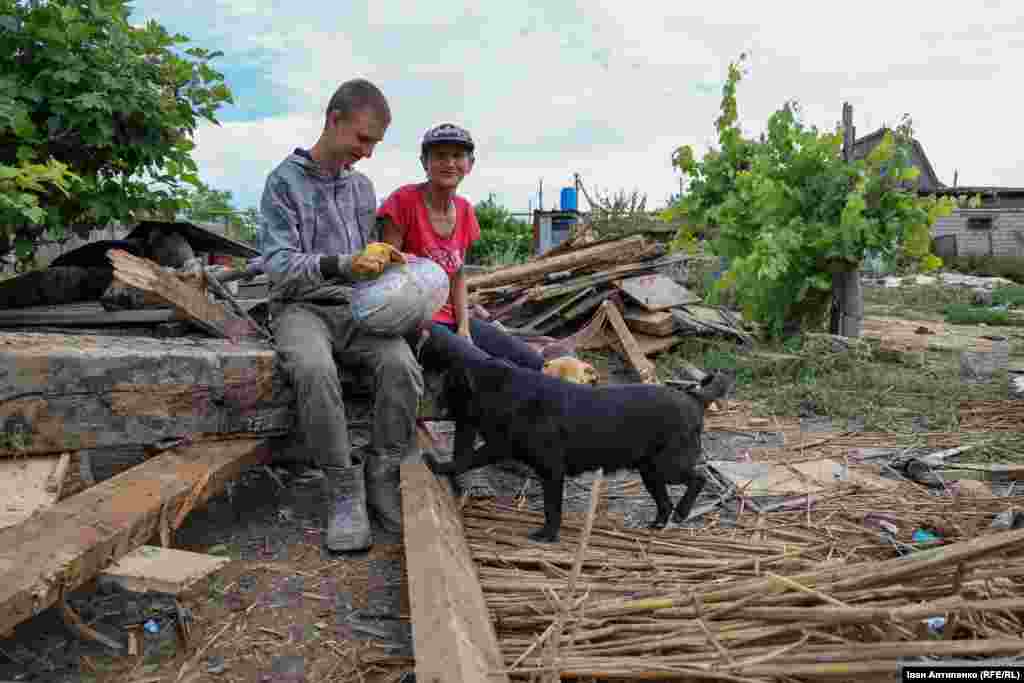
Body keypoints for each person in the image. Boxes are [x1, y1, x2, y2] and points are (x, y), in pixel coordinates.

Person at [259, 79, 423, 553]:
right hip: (299, 307)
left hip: (354, 307)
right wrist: (341, 264)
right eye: (363, 139)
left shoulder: (361, 187)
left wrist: (397, 282)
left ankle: (382, 473)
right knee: (313, 368)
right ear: (334, 120)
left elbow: (365, 263)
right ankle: (343, 491)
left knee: (401, 365)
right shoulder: (282, 183)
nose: (367, 152)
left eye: (374, 143)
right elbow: (279, 268)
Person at [377, 122, 545, 373]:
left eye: (457, 156)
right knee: (485, 366)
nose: (449, 163)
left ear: (470, 164)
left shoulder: (465, 210)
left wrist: (464, 327)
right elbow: (388, 272)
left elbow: (457, 275)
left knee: (529, 360)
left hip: (451, 319)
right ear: (424, 162)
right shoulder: (402, 202)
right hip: (413, 320)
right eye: (440, 156)